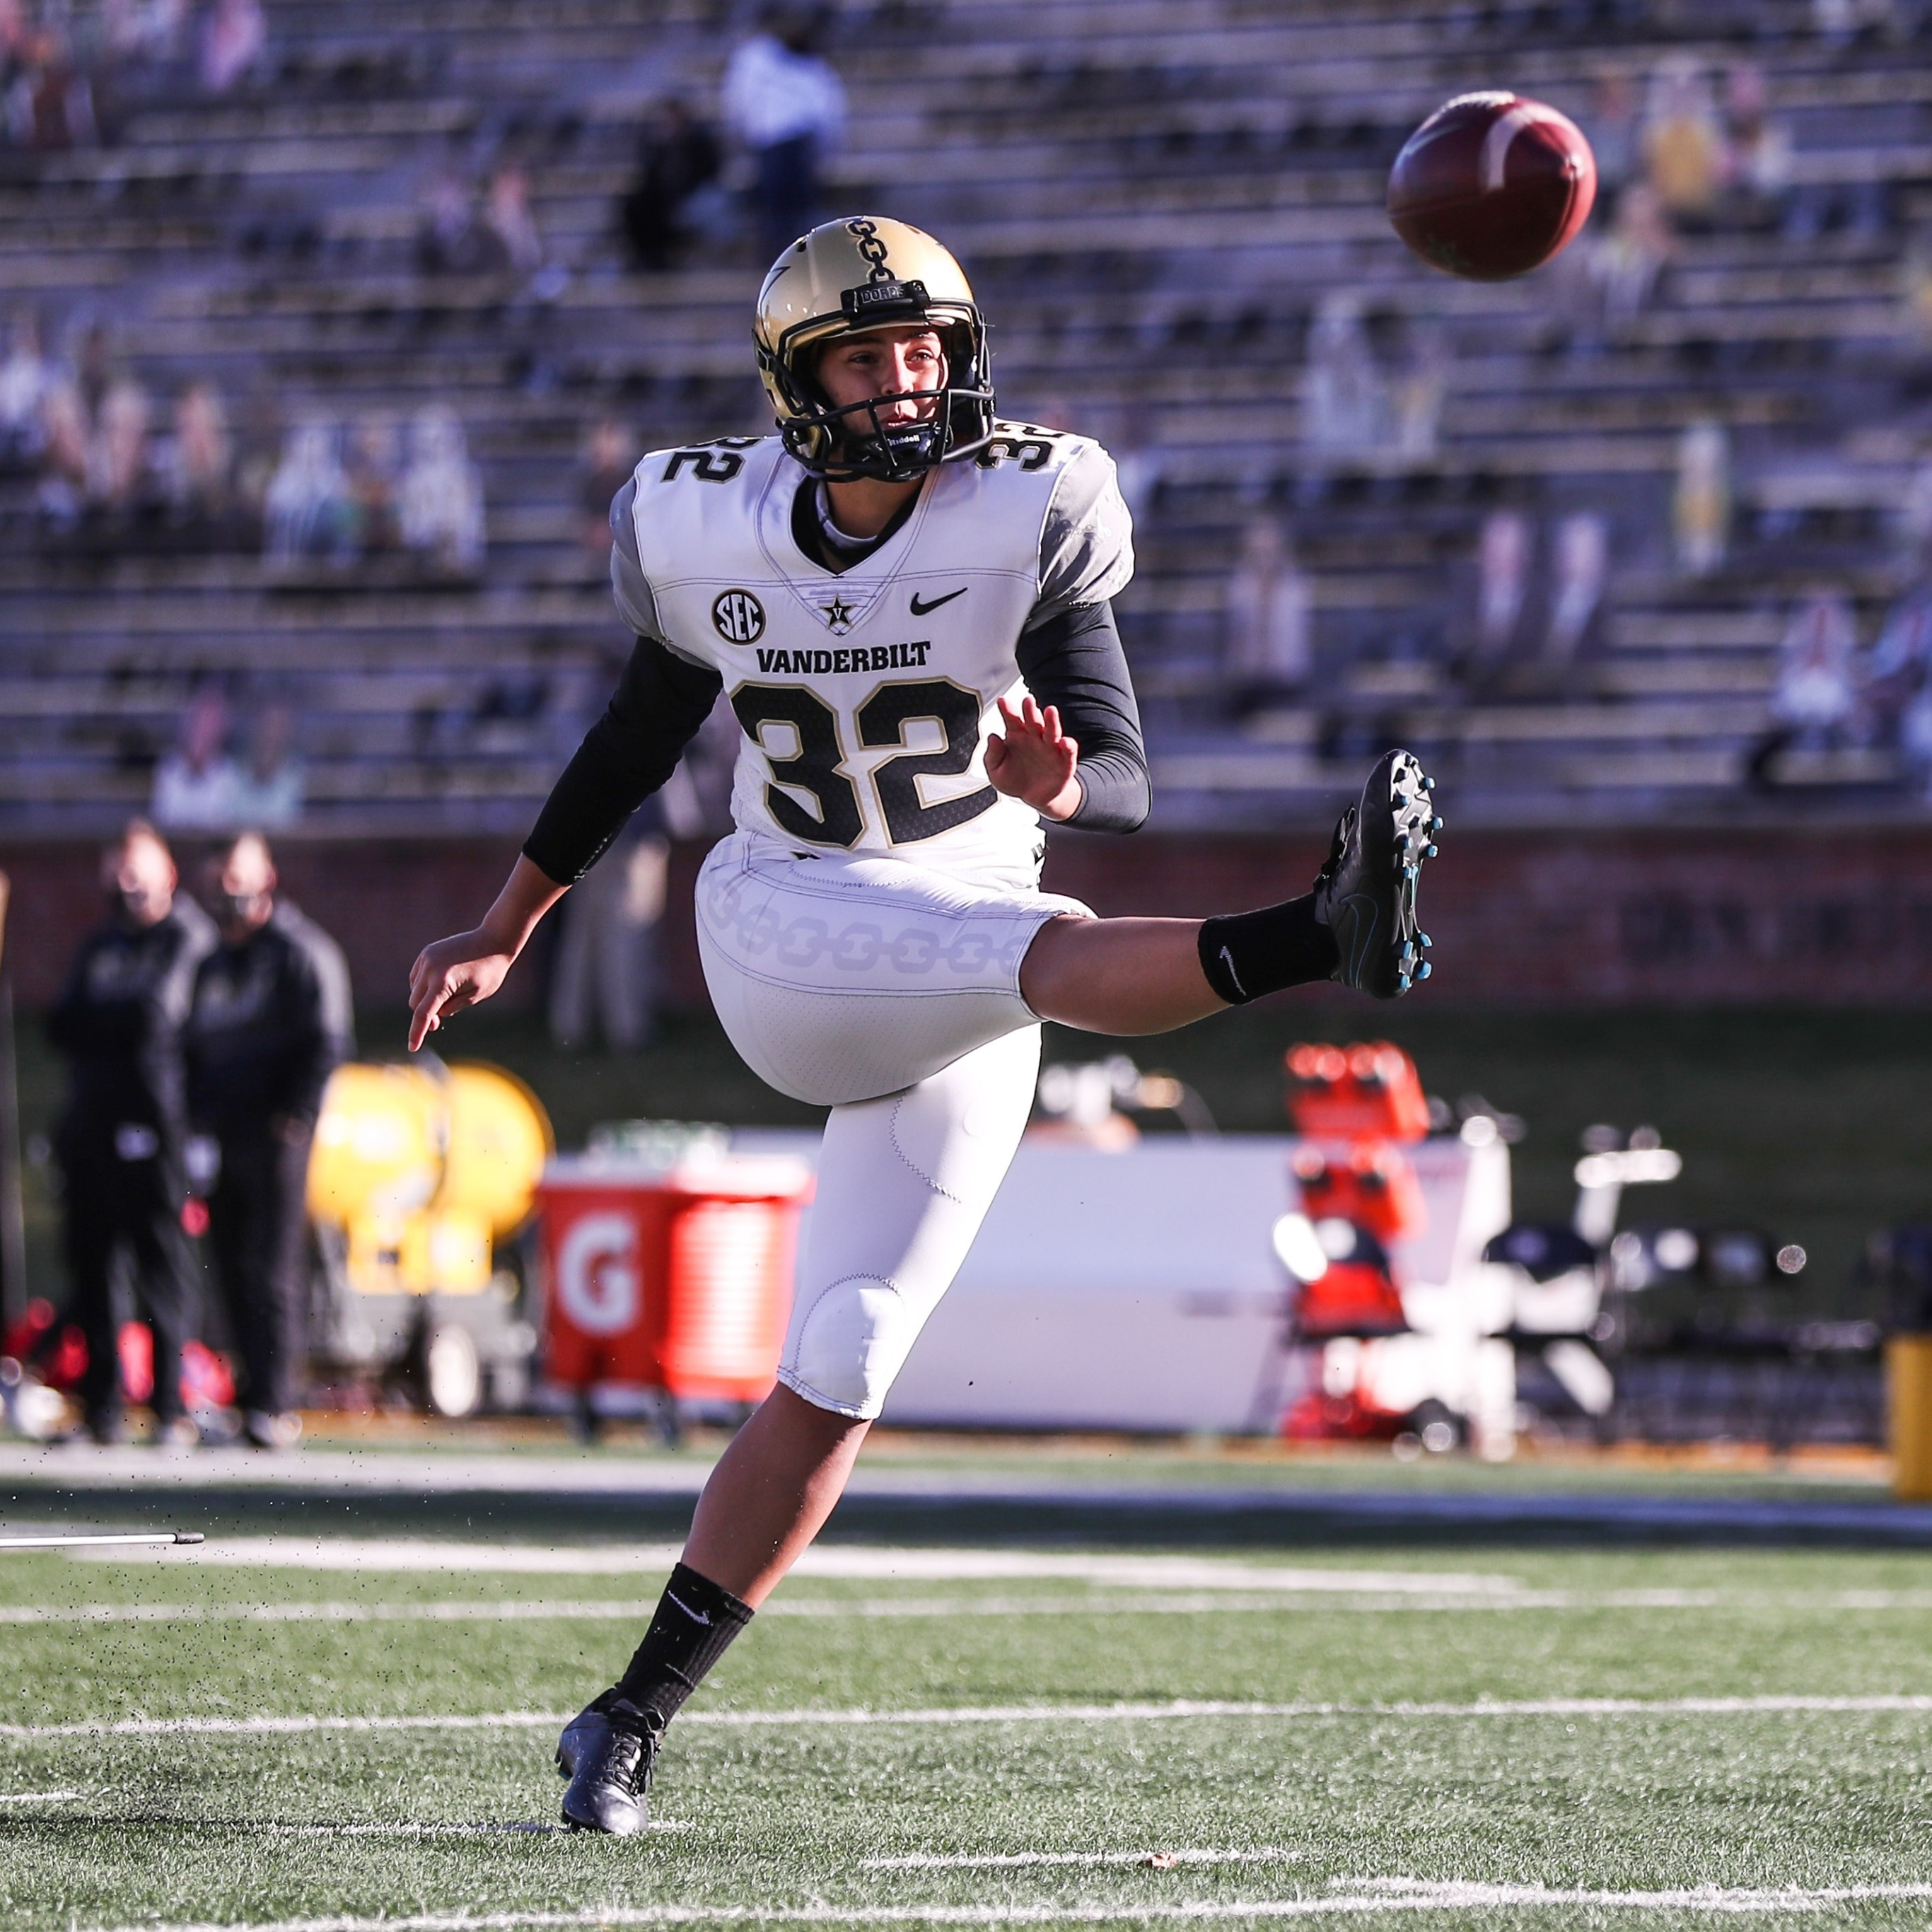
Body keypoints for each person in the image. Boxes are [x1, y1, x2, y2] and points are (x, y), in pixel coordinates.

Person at [404, 217, 1443, 1836]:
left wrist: (1062, 785)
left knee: (847, 1355)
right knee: (1038, 949)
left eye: (923, 352)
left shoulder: (1021, 512)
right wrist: (505, 924)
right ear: (796, 383)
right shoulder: (711, 529)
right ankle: (1316, 933)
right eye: (866, 357)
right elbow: (631, 743)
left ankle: (623, 1718)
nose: (905, 383)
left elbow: (1123, 771)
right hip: (787, 934)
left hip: (964, 960)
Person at [47, 821, 214, 1445]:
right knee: (96, 1269)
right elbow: (62, 1023)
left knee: (162, 1267)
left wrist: (105, 1020)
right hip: (94, 1126)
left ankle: (170, 1408)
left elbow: (158, 1016)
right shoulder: (101, 943)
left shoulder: (187, 937)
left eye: (137, 868)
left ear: (167, 873)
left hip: (159, 1127)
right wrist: (113, 1021)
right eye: (117, 868)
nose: (126, 882)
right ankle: (101, 1411)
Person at [185, 832, 352, 1449]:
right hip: (222, 1131)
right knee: (229, 1264)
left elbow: (329, 1040)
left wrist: (296, 1116)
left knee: (271, 1268)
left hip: (276, 1132)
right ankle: (249, 1395)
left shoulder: (300, 952)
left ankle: (276, 1403)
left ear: (267, 877)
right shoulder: (215, 958)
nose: (228, 892)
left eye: (238, 876)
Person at [721, 6, 845, 259]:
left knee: (802, 204)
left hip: (798, 140)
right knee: (777, 204)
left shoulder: (808, 62)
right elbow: (739, 97)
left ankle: (807, 256)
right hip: (771, 141)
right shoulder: (755, 56)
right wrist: (741, 129)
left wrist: (826, 143)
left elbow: (826, 105)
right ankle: (778, 258)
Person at [621, 95, 722, 273]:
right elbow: (649, 177)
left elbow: (709, 173)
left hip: (694, 197)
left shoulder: (700, 142)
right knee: (637, 205)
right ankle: (647, 257)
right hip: (663, 201)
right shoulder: (654, 145)